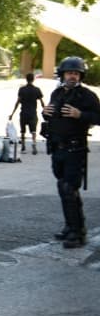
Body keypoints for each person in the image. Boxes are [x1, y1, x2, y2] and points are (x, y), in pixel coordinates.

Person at [42, 57, 100, 248]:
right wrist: (45, 112)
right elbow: (51, 114)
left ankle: (78, 232)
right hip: (57, 148)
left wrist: (80, 115)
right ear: (62, 74)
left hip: (75, 148)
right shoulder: (57, 93)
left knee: (69, 189)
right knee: (62, 187)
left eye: (76, 73)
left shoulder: (87, 96)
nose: (72, 76)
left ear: (80, 75)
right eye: (69, 73)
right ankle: (70, 226)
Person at [9, 73, 45, 154]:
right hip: (33, 113)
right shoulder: (37, 90)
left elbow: (17, 102)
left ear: (26, 79)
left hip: (23, 113)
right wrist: (46, 111)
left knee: (23, 131)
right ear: (33, 79)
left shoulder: (22, 89)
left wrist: (12, 114)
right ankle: (34, 144)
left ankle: (23, 147)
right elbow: (42, 103)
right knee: (33, 131)